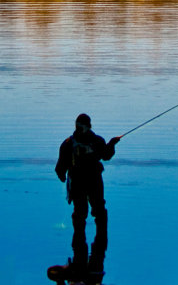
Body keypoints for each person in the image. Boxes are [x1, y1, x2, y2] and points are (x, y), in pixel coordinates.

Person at [54, 113, 119, 280]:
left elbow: (106, 155)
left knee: (91, 211)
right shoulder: (73, 143)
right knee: (87, 212)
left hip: (88, 180)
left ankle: (87, 240)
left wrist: (111, 144)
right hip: (85, 181)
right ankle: (96, 240)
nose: (79, 129)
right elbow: (61, 166)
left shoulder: (77, 143)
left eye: (80, 126)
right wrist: (111, 144)